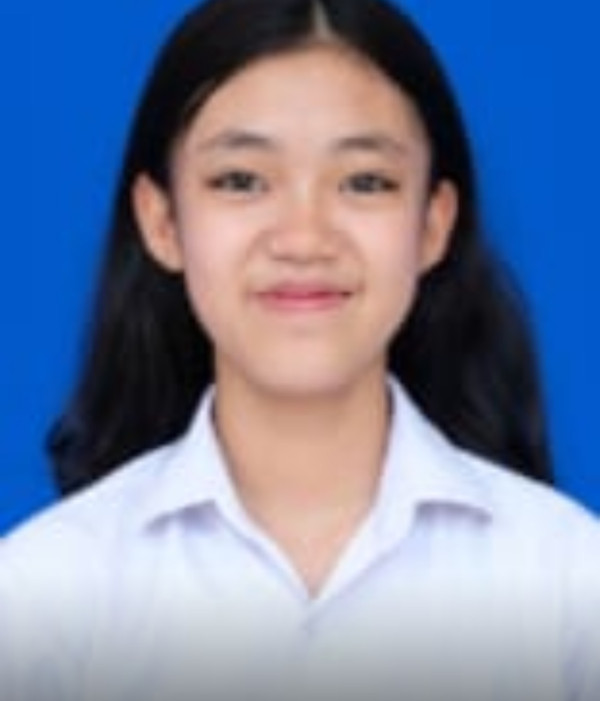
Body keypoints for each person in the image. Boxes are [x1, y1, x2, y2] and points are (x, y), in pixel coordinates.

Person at [1, 0, 598, 699]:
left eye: (365, 182)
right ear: (161, 221)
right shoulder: (43, 593)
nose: (304, 238)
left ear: (433, 225)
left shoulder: (566, 578)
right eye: (241, 181)